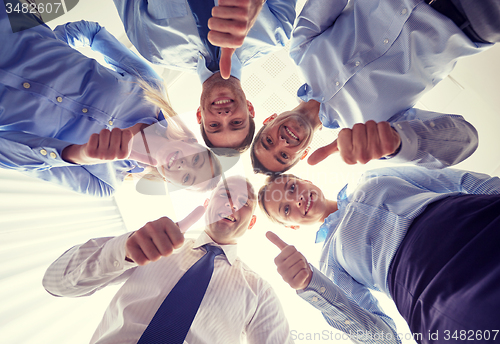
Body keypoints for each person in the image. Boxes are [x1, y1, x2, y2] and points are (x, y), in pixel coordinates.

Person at [251, 0, 500, 174]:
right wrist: (397, 144)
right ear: (302, 155)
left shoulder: (301, 49)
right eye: (284, 156)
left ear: (269, 119)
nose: (282, 142)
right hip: (472, 20)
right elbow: (465, 138)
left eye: (269, 141)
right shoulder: (374, 135)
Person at [0, 2, 221, 197]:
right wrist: (48, 46)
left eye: (187, 179)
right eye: (196, 160)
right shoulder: (151, 87)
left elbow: (9, 156)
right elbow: (93, 33)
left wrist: (76, 154)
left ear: (171, 184)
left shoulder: (103, 183)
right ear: (194, 143)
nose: (184, 166)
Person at [259, 167, 500, 343]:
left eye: (292, 187)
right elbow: (384, 338)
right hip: (434, 290)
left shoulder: (373, 177)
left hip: (475, 218)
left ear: (305, 180)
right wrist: (310, 285)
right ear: (291, 226)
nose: (296, 198)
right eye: (286, 208)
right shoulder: (328, 263)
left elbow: (457, 180)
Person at [43, 176, 294, 344]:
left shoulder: (260, 292)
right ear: (207, 204)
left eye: (244, 203)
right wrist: (124, 250)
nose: (231, 205)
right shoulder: (149, 243)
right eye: (225, 195)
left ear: (251, 222)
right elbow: (55, 282)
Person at [112, 0, 297, 153]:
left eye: (215, 125)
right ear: (250, 109)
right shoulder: (277, 33)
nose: (224, 115)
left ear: (200, 115)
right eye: (236, 122)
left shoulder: (154, 49)